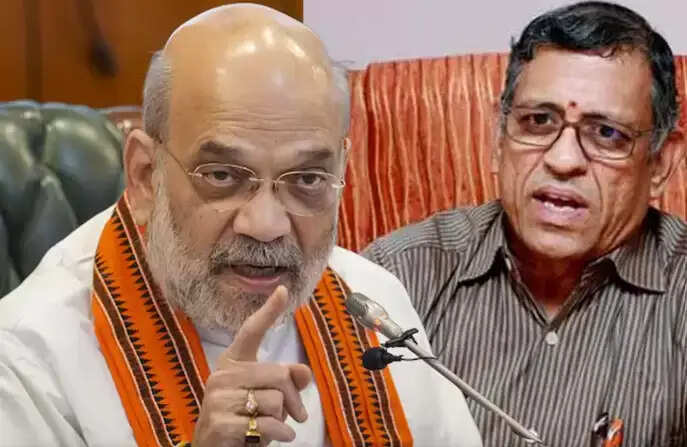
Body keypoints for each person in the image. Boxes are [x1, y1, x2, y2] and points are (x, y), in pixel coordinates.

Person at [0, 4, 482, 447]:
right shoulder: (28, 355)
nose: (266, 225)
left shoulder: (374, 303)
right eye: (222, 177)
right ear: (146, 176)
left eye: (307, 179)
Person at [363, 2, 686, 446]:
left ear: (661, 164)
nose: (563, 160)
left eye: (607, 133)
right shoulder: (396, 277)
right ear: (499, 141)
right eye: (538, 121)